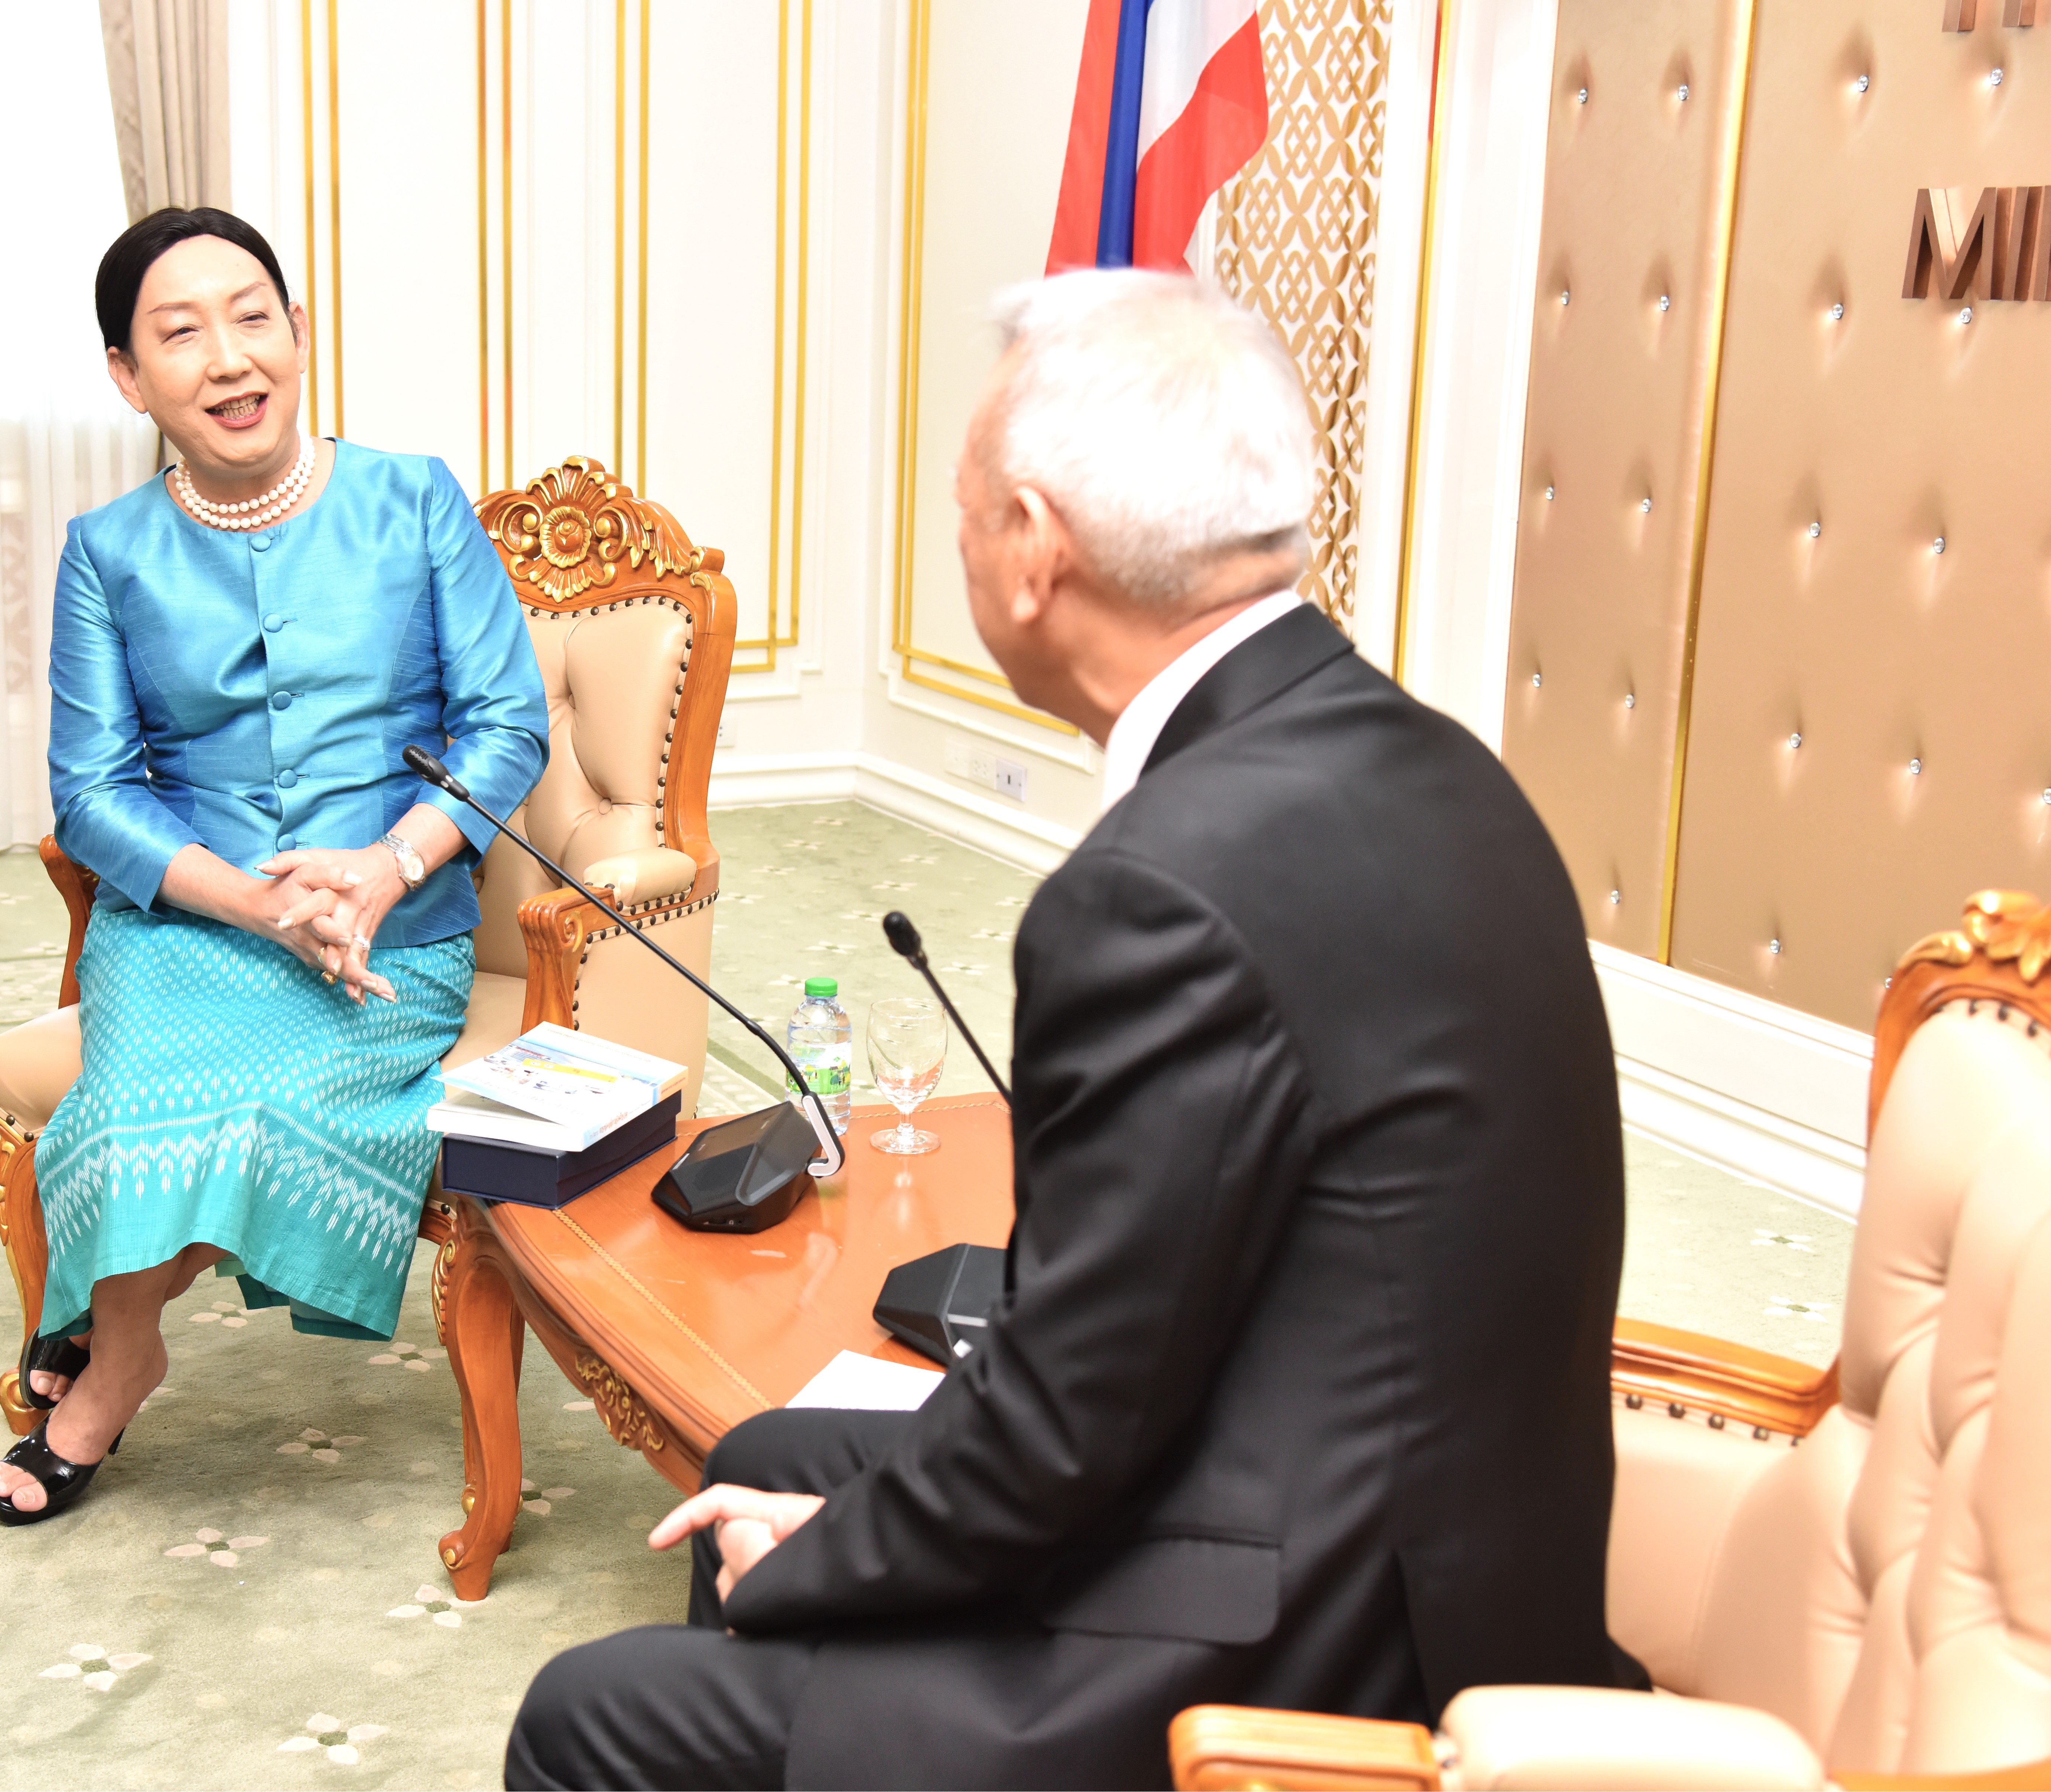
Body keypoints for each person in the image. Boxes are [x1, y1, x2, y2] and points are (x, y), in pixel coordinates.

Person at [505, 271, 1629, 1785]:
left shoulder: (1157, 891)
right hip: (1455, 1545)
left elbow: (1070, 1422)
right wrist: (834, 1528)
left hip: (1318, 1635)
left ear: (1032, 547)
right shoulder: (1441, 768)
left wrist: (818, 1565)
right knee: (769, 1454)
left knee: (591, 1716)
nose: (962, 541)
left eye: (964, 511)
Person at [0, 208, 550, 1524]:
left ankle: (108, 1346)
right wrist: (254, 902)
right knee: (129, 1110)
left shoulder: (414, 498)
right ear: (129, 377)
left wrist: (385, 868)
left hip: (388, 929)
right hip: (189, 924)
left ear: (299, 332)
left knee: (262, 1108)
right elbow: (92, 794)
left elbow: (507, 725)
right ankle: (130, 1347)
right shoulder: (107, 551)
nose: (230, 358)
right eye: (180, 334)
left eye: (253, 318)